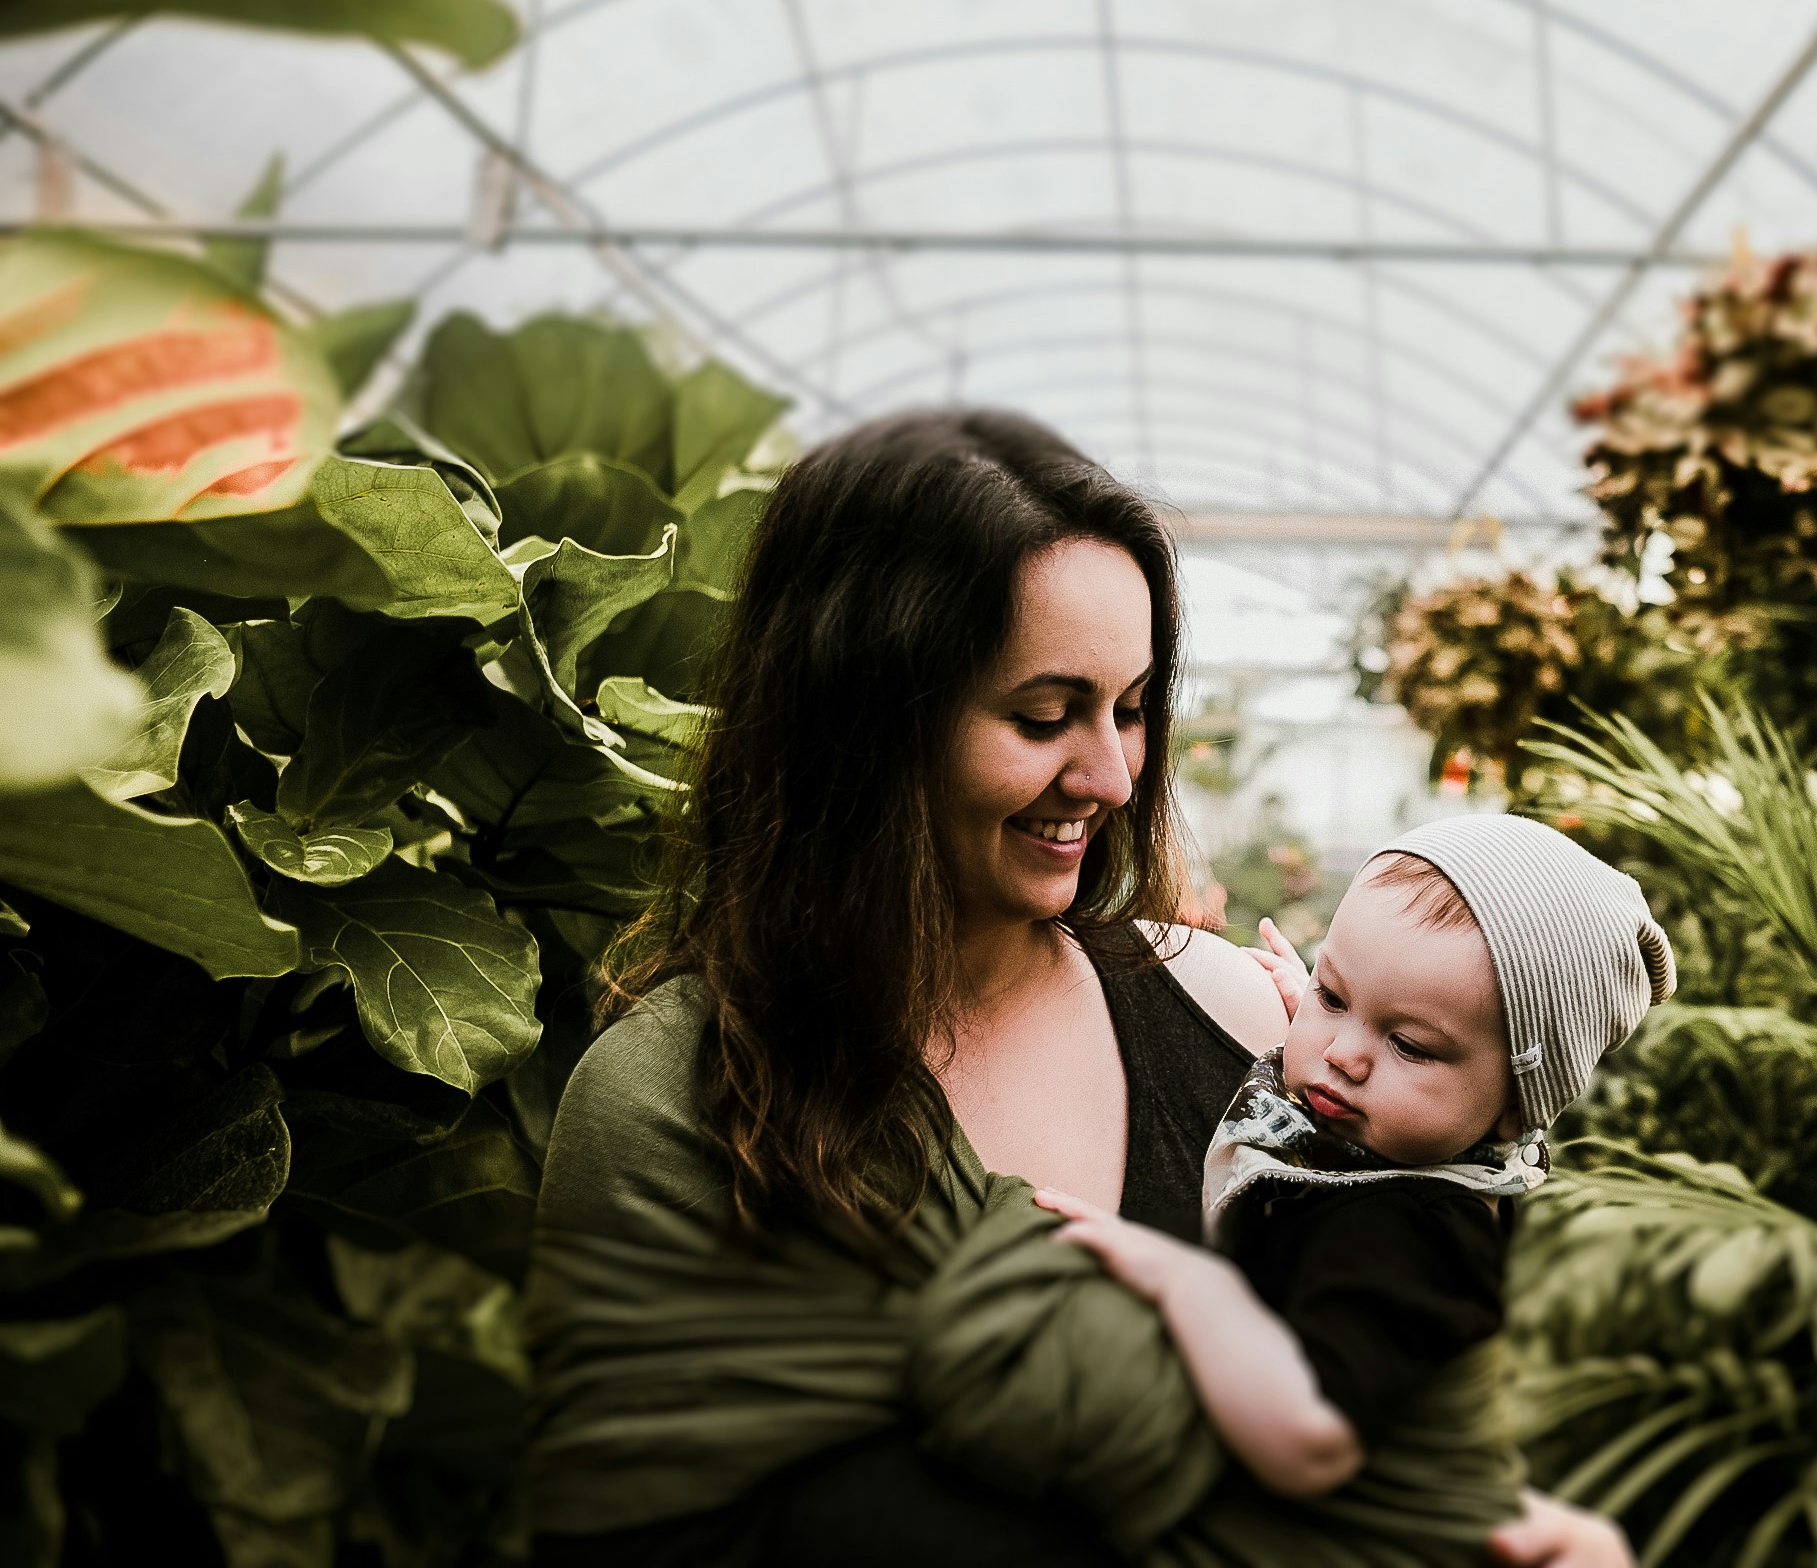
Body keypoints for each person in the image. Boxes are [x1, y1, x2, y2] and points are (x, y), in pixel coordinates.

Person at [523, 409, 1634, 1568]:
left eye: (1134, 707)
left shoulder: (1250, 1028)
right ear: (863, 722)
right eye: (1043, 715)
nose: (1109, 774)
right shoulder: (676, 1103)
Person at [1041, 815, 1674, 1502]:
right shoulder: (1383, 1128)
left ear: (1519, 1106)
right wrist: (1319, 1010)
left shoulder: (1415, 1236)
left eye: (1410, 1045)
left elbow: (1313, 1443)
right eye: (1333, 994)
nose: (1341, 1054)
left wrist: (1190, 1285)